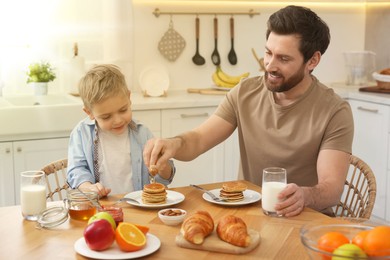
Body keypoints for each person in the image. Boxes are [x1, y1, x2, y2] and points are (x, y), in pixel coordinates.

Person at [143, 5, 353, 217]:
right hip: (253, 215)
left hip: (308, 218)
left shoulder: (334, 110)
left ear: (313, 61)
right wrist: (174, 143)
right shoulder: (245, 92)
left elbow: (332, 188)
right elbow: (198, 140)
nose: (270, 65)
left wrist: (305, 196)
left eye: (284, 58)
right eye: (268, 53)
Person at [67, 64, 175, 197]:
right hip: (99, 208)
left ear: (129, 98)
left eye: (123, 110)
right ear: (89, 112)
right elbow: (77, 169)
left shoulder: (142, 133)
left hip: (138, 206)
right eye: (106, 117)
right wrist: (88, 187)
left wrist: (164, 168)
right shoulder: (81, 133)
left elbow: (162, 181)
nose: (118, 120)